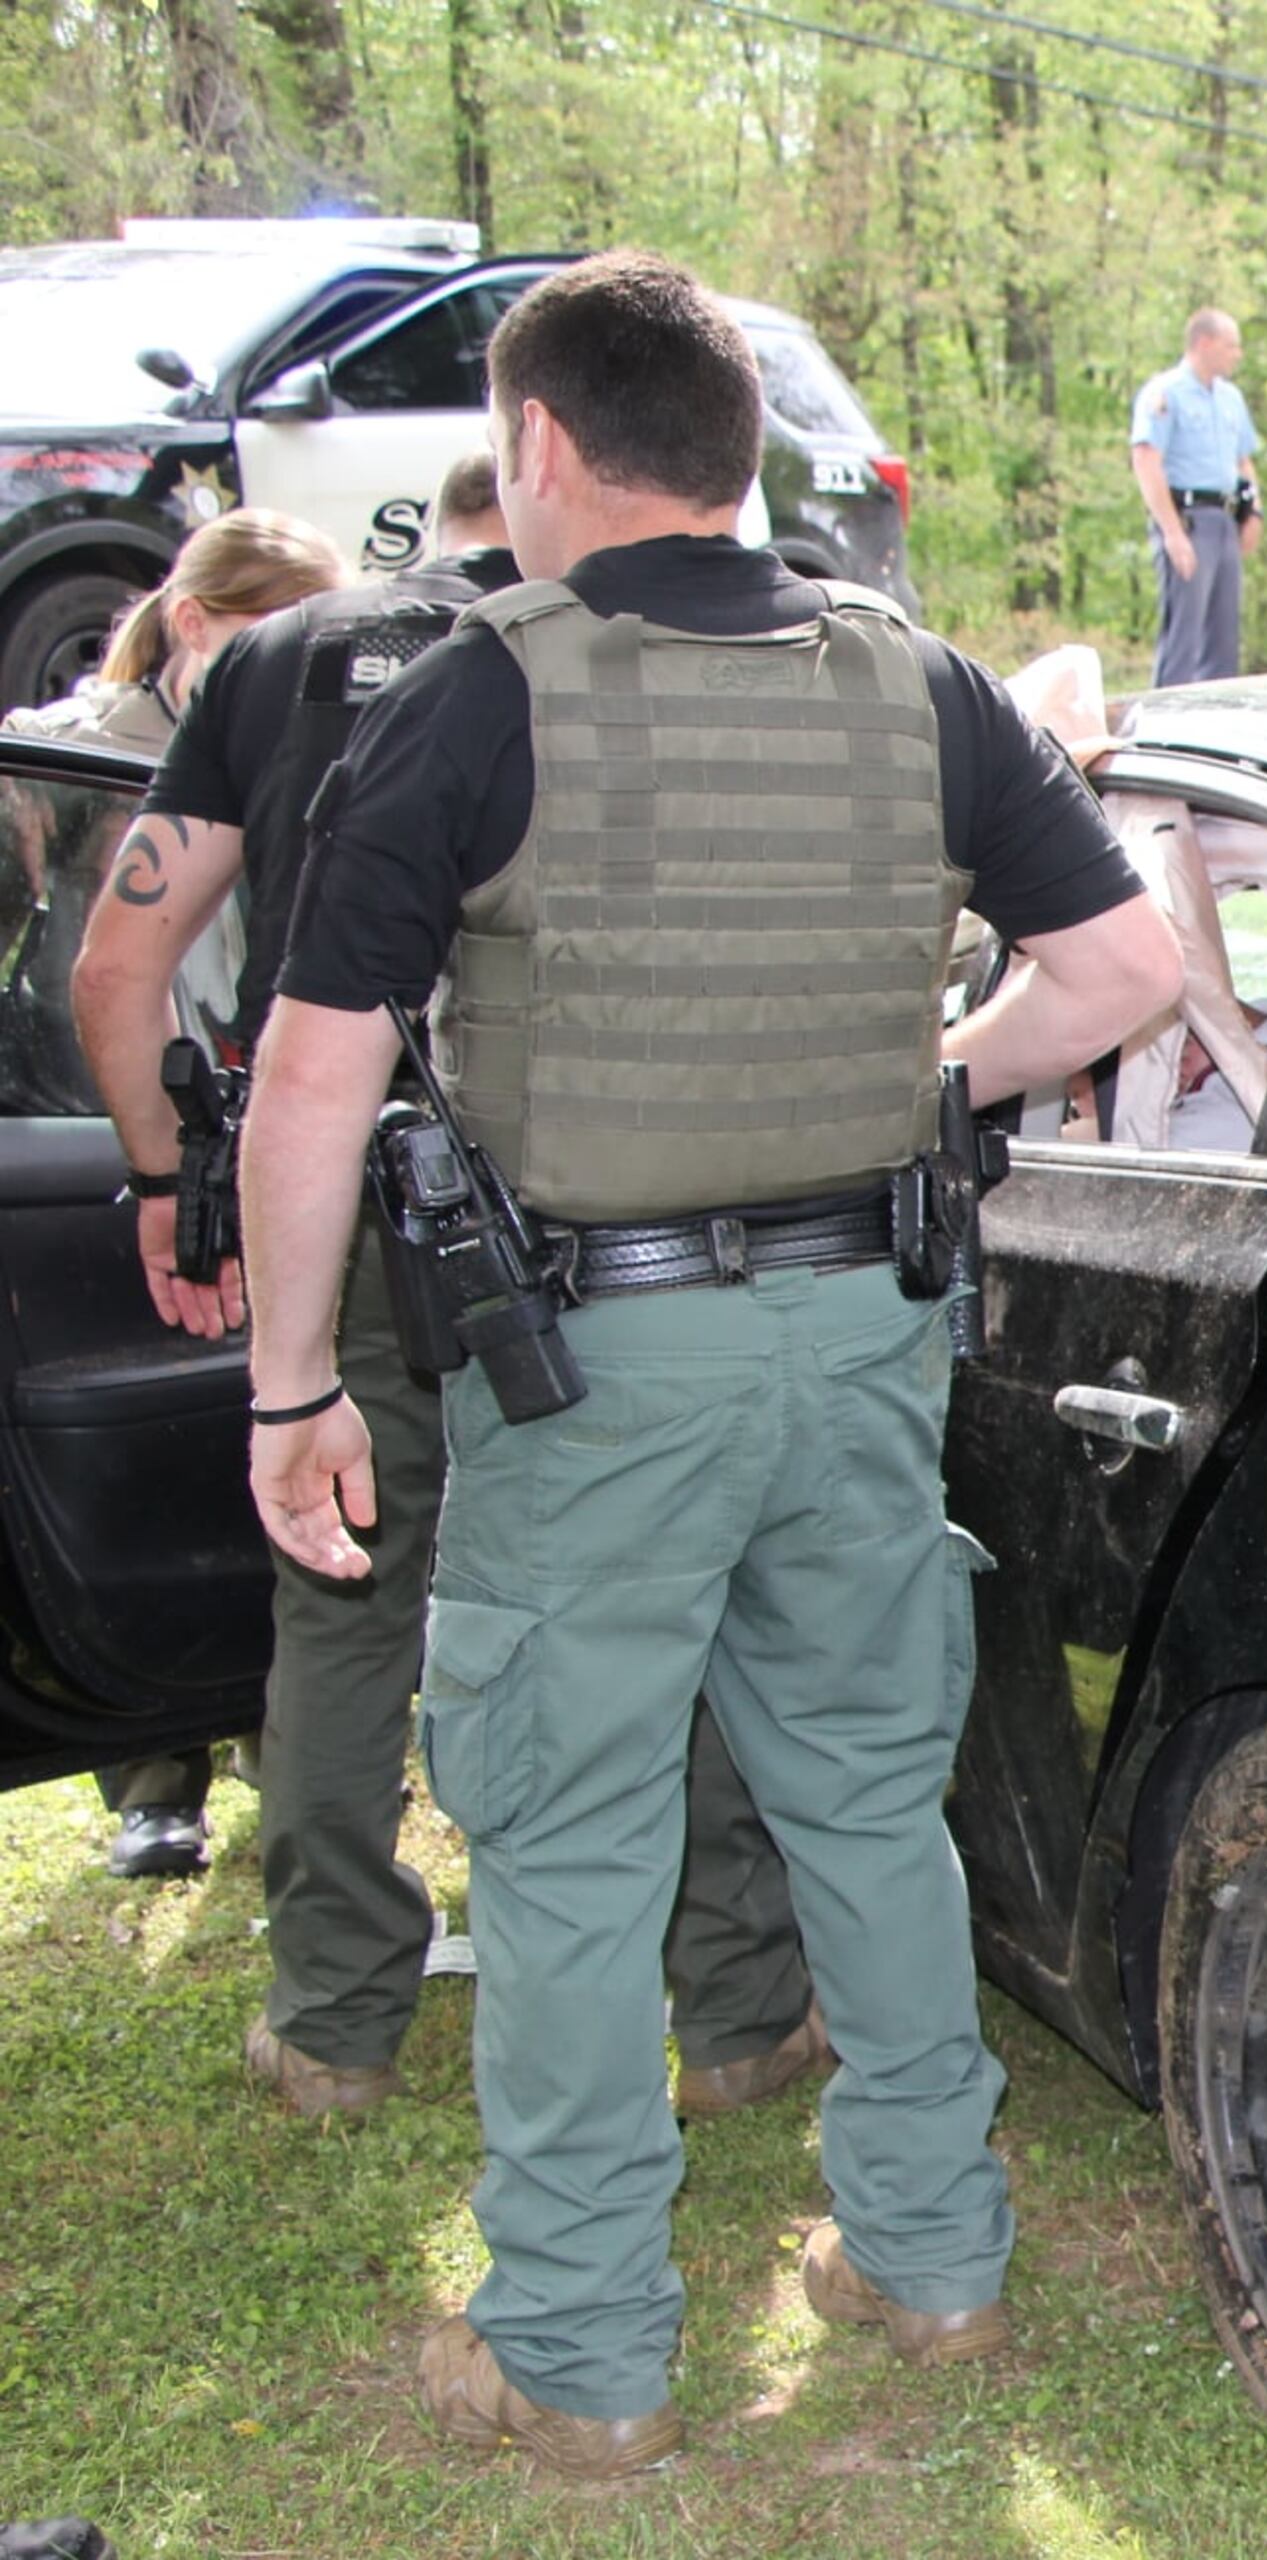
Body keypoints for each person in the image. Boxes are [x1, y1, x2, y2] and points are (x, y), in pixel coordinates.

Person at [233, 251, 1179, 2479]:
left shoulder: (485, 690)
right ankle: (930, 2249)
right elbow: (1125, 959)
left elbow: (306, 1071)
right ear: (743, 450)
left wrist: (294, 1384)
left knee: (564, 1840)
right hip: (868, 1335)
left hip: (596, 1367)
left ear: (540, 445)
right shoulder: (912, 678)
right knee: (866, 1793)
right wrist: (938, 1071)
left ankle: (578, 2341)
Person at [72, 455, 826, 2125]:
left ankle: (336, 2021)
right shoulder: (607, 649)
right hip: (588, 1206)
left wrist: (152, 1172)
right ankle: (740, 2013)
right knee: (658, 1590)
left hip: (351, 1188)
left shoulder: (276, 657)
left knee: (343, 1590)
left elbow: (119, 965)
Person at [9, 506, 343, 1879]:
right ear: (198, 621)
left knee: (255, 1435)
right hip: (110, 1139)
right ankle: (155, 1774)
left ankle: (270, 1734)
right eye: (276, 638)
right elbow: (87, 976)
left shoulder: (289, 747)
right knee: (153, 1458)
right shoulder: (68, 762)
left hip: (254, 1131)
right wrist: (150, 1157)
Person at [1128, 309, 1261, 688]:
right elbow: (1146, 458)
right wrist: (1171, 531)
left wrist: (1256, 512)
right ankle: (1167, 726)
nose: (1237, 354)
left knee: (1223, 633)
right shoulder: (1166, 393)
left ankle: (1216, 725)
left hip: (1225, 519)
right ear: (1204, 343)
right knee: (1184, 634)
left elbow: (1244, 459)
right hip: (1187, 520)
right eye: (1231, 346)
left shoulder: (1230, 398)